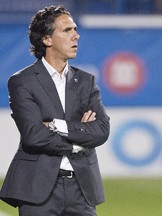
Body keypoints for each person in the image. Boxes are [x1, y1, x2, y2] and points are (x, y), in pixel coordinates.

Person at [0, 5, 110, 216]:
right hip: (37, 191)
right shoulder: (22, 81)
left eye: (75, 29)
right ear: (47, 39)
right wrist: (79, 143)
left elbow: (101, 130)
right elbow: (34, 136)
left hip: (82, 190)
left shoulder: (87, 81)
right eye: (67, 30)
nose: (76, 36)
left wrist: (54, 125)